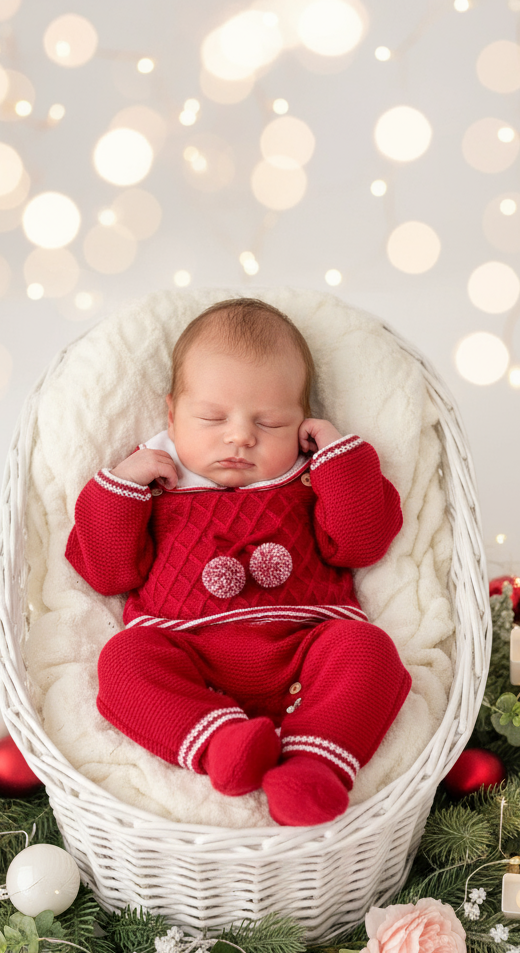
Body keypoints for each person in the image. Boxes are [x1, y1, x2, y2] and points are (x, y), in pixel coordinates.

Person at [65, 298, 411, 826]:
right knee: (124, 661)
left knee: (369, 651)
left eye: (269, 422)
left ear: (302, 423)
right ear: (171, 415)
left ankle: (314, 765)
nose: (240, 436)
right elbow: (108, 573)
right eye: (212, 417)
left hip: (306, 647)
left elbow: (362, 544)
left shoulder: (310, 476)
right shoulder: (155, 479)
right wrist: (120, 490)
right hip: (187, 652)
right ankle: (221, 744)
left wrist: (341, 459)